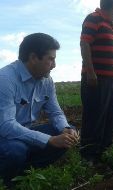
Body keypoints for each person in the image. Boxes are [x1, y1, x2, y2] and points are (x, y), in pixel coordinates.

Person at [0, 33, 79, 184]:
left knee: (66, 136)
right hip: (3, 136)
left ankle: (23, 175)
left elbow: (55, 112)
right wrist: (49, 140)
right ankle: (6, 182)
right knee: (16, 150)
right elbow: (6, 126)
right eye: (51, 59)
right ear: (33, 58)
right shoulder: (5, 79)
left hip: (23, 132)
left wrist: (65, 128)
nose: (54, 65)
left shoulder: (46, 81)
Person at [80, 0, 113, 164]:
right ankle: (88, 155)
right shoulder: (93, 18)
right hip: (96, 79)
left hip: (112, 79)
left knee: (110, 116)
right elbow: (85, 44)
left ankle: (104, 152)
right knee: (94, 116)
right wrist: (90, 72)